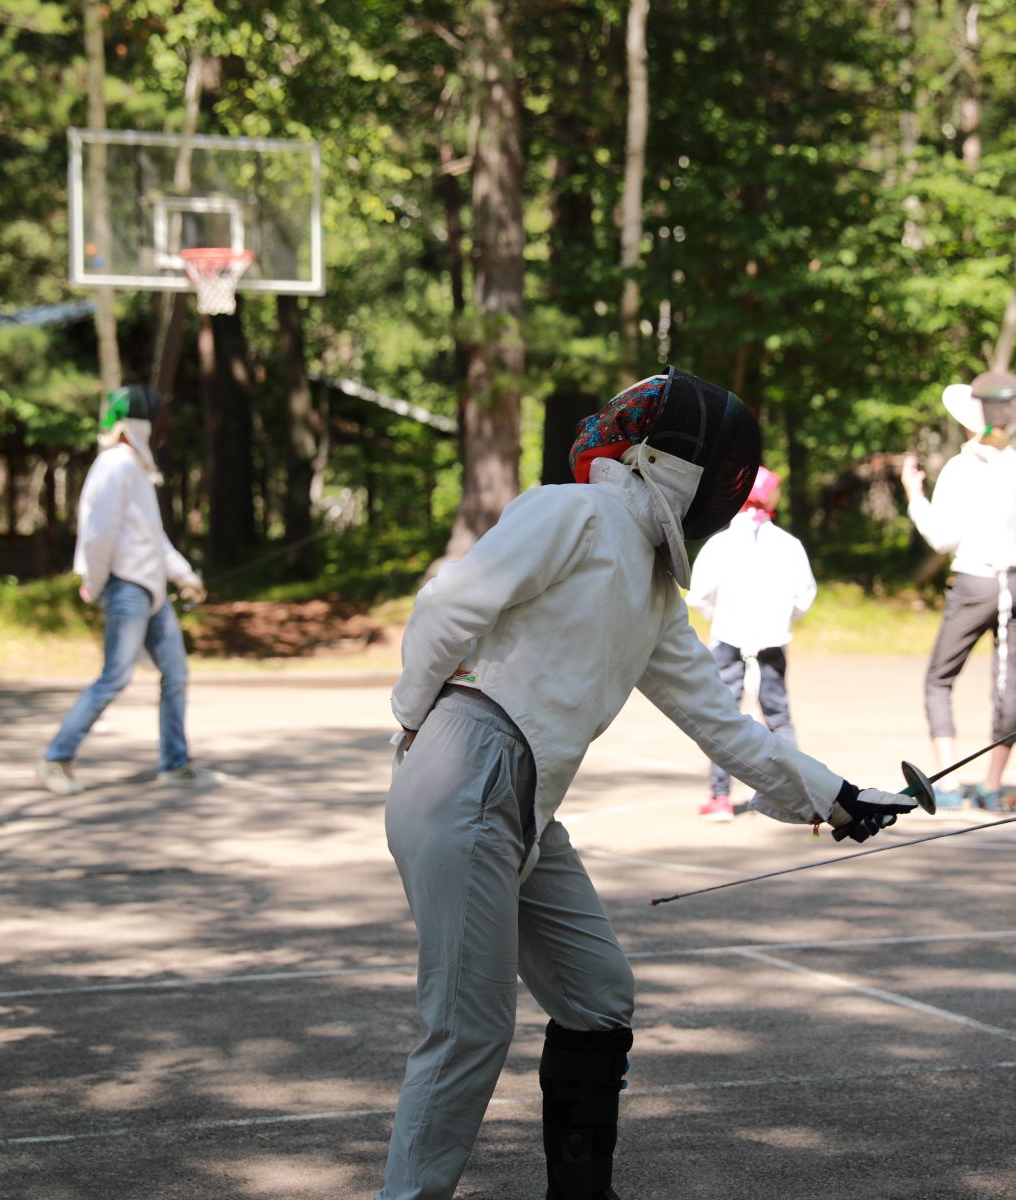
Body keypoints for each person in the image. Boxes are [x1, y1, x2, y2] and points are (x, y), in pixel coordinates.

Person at [380, 367, 919, 1200]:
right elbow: (450, 602)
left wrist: (834, 797)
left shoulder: (656, 596)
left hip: (520, 803)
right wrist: (413, 724)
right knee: (468, 1032)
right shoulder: (572, 510)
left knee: (598, 994)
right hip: (468, 765)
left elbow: (725, 724)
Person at [35, 385, 208, 795]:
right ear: (136, 425)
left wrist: (184, 574)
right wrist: (93, 582)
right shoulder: (115, 465)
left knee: (176, 673)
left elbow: (152, 536)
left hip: (151, 589)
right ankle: (55, 758)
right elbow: (98, 535)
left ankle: (175, 762)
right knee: (114, 677)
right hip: (127, 588)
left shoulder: (135, 468)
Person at [902, 370, 1016, 811]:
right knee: (1008, 685)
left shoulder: (958, 469)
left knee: (939, 679)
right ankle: (991, 783)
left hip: (973, 584)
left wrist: (914, 494)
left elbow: (942, 539)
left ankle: (946, 784)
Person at [685, 465, 818, 821]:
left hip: (728, 638)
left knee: (722, 718)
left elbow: (699, 595)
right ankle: (797, 794)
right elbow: (804, 596)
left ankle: (720, 797)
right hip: (773, 640)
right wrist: (782, 621)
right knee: (779, 717)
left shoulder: (721, 543)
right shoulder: (788, 545)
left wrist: (718, 617)